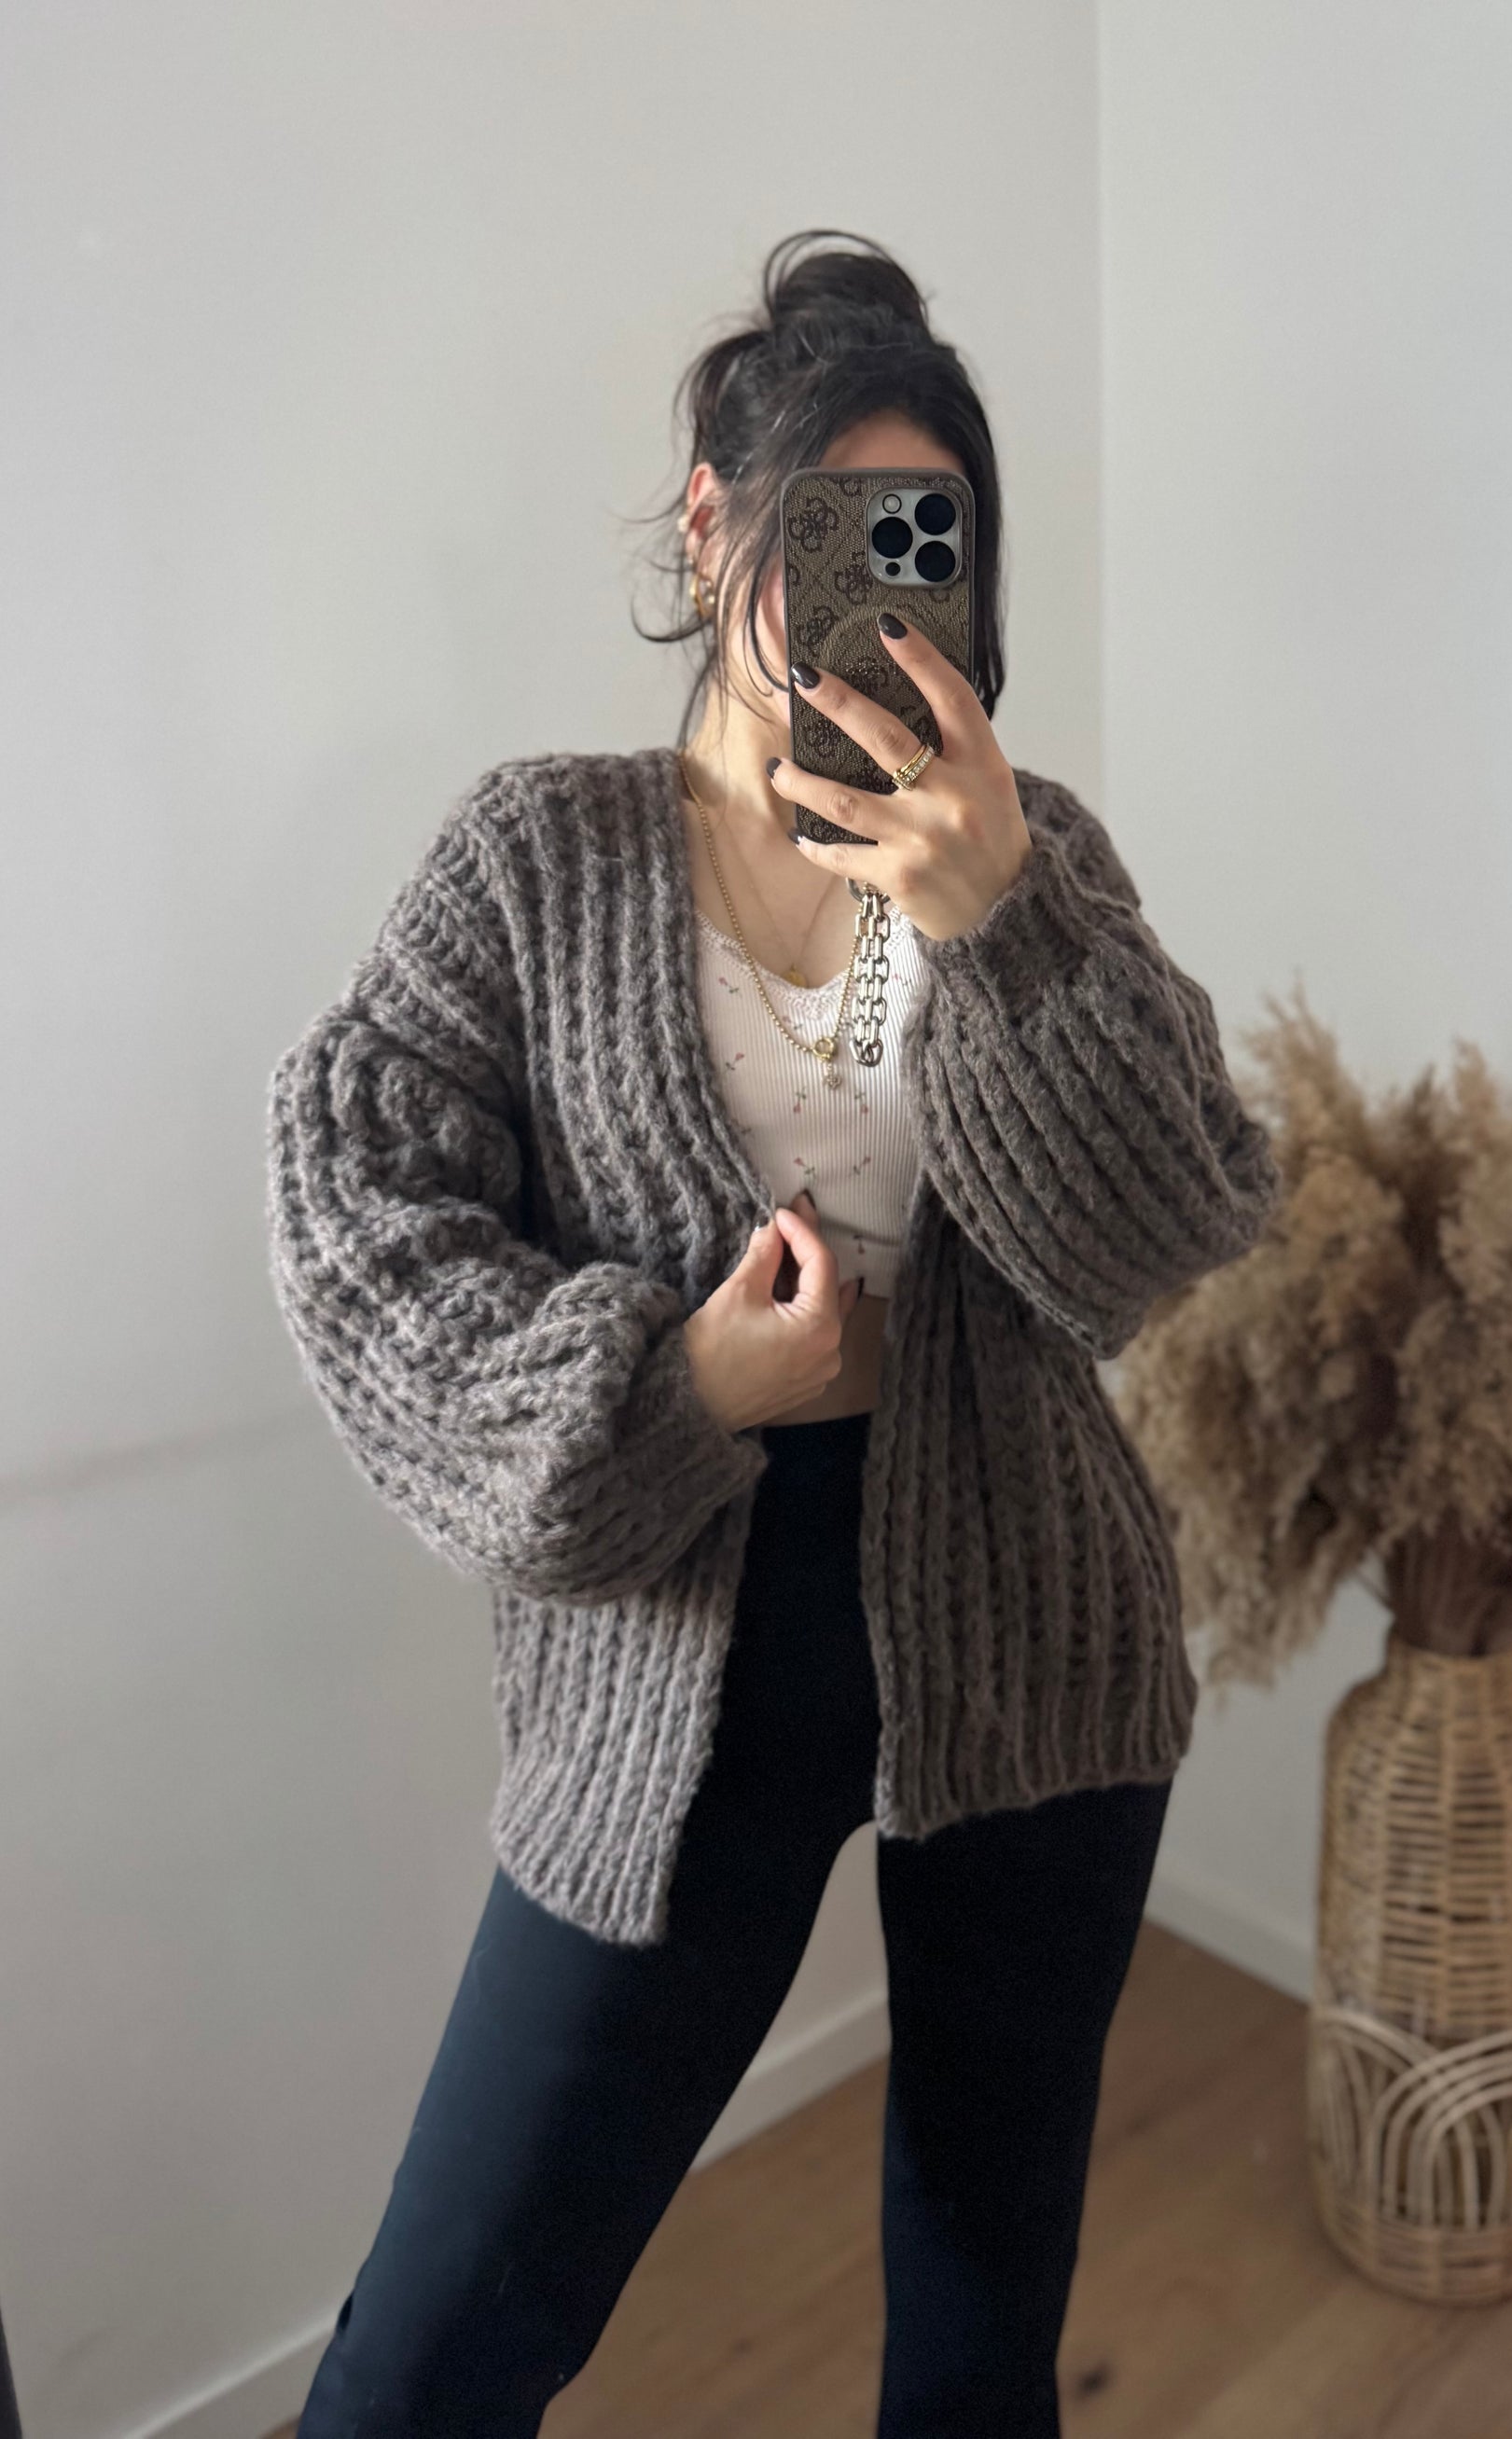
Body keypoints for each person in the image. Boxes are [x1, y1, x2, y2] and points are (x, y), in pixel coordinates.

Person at [269, 228, 1281, 2438]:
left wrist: (998, 918)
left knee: (980, 2322)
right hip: (674, 1642)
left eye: (929, 537)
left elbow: (1152, 1235)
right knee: (438, 2347)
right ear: (714, 519)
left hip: (1025, 1617)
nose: (883, 589)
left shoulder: (1024, 854)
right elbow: (357, 1215)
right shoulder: (538, 854)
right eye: (839, 527)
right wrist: (677, 1386)